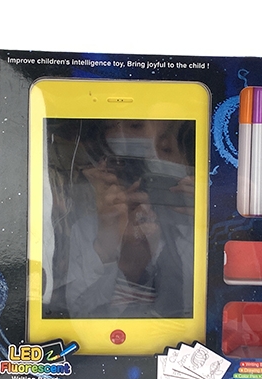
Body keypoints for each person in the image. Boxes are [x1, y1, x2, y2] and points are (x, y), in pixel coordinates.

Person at [47, 119, 196, 319]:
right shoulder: (90, 228)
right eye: (121, 161)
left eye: (166, 150)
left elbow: (212, 299)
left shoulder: (196, 224)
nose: (153, 161)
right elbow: (79, 315)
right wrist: (108, 245)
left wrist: (212, 216)